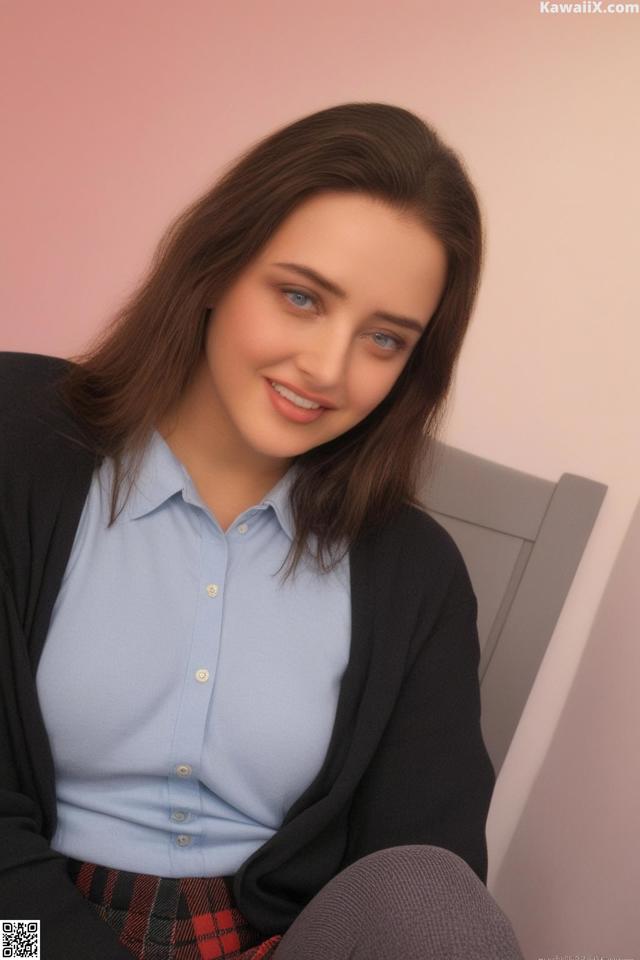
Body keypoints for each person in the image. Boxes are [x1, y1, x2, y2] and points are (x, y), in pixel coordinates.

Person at [0, 102, 524, 958]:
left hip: (263, 943)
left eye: (384, 339)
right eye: (301, 297)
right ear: (216, 265)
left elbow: (423, 861)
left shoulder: (417, 573)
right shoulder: (14, 438)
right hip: (14, 926)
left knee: (435, 903)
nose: (327, 369)